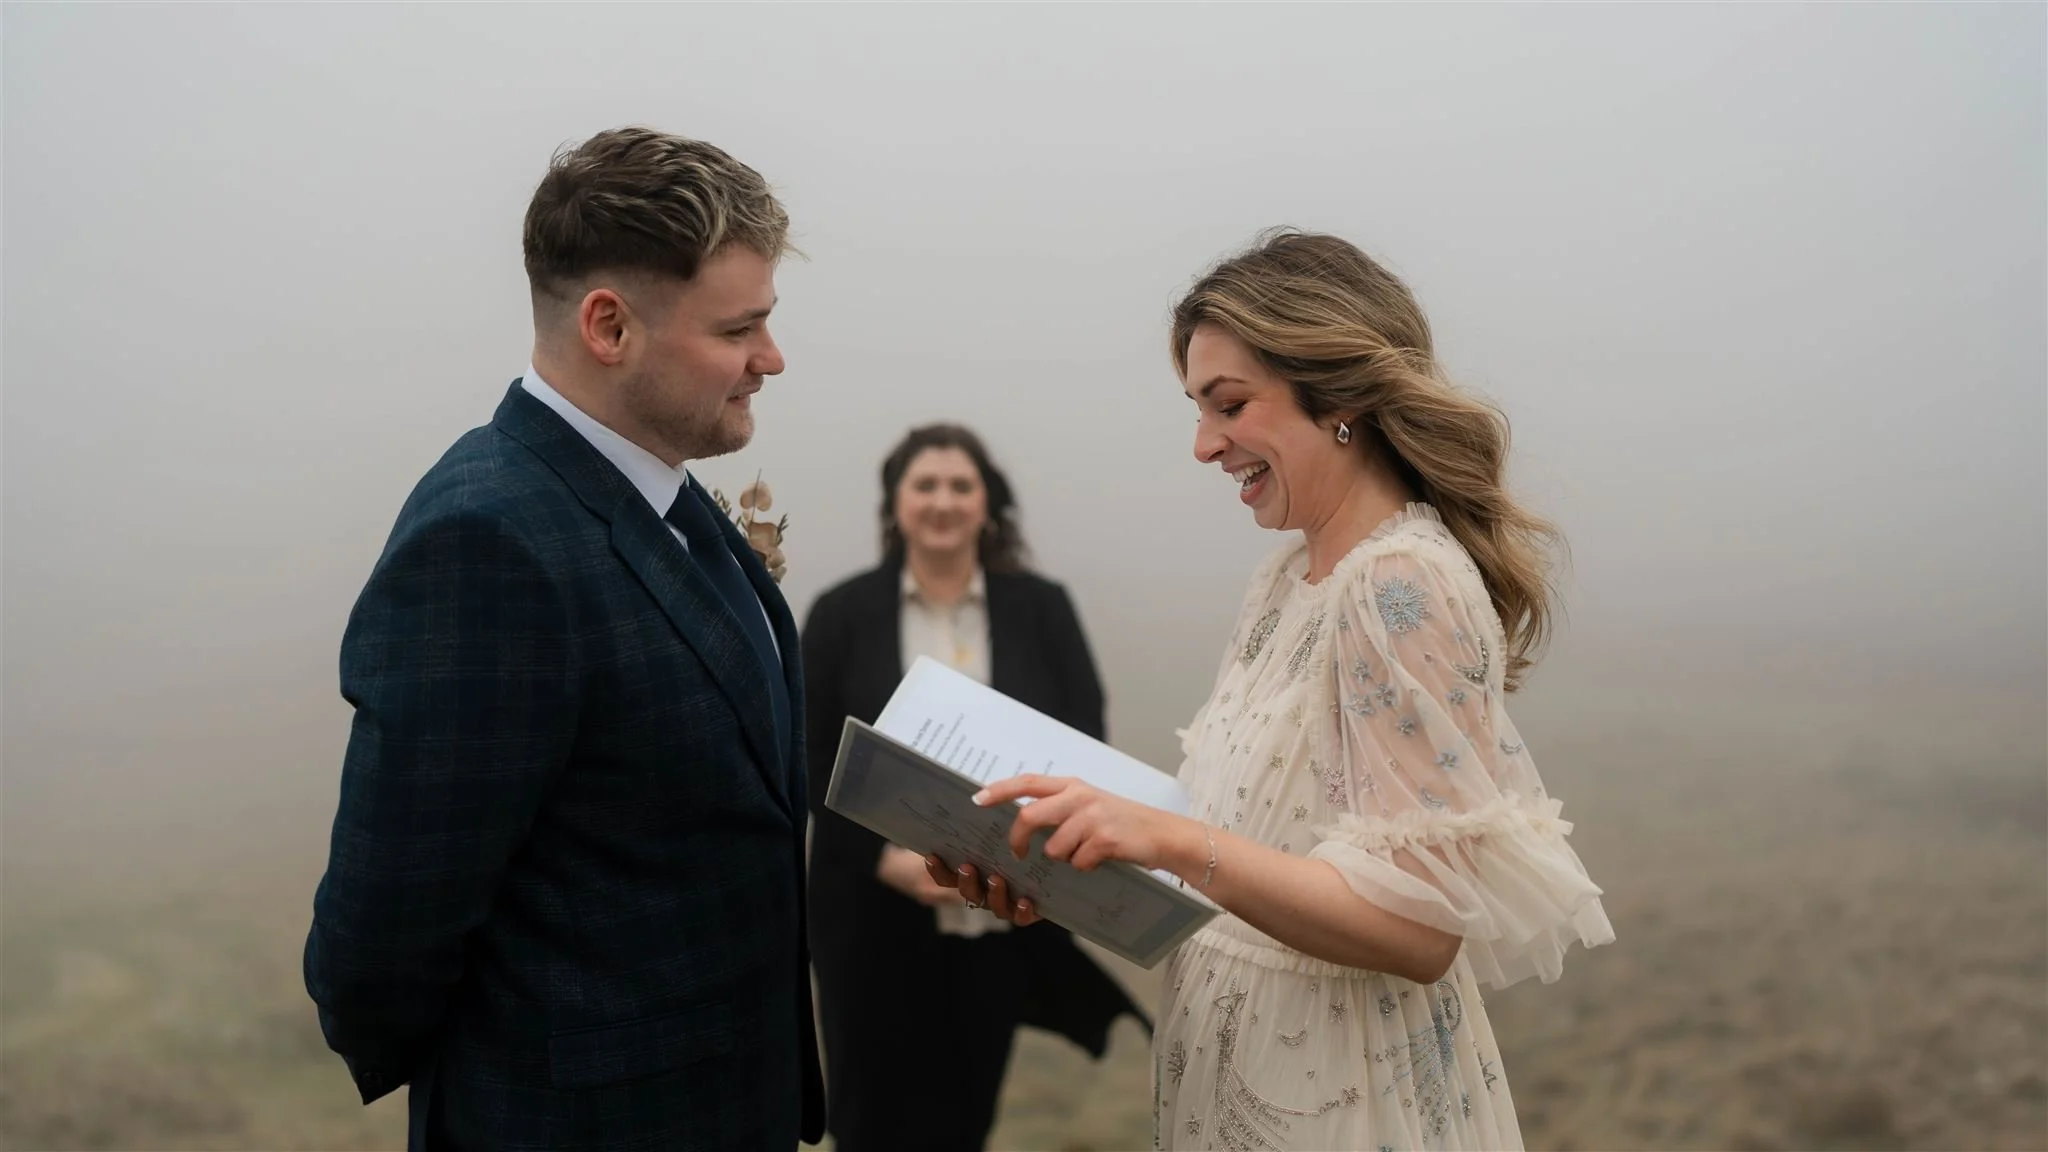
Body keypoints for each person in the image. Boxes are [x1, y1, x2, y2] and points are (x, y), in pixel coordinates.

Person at [934, 230, 1615, 1150]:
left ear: (1341, 397)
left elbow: (1420, 930)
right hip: (1232, 1060)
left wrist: (1172, 839)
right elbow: (1257, 838)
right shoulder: (1287, 579)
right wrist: (1053, 857)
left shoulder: (1398, 584)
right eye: (1197, 409)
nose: (1203, 445)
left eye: (1230, 405)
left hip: (1338, 1087)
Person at [302, 126, 824, 1151]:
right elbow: (382, 937)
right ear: (608, 326)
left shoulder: (664, 494)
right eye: (740, 329)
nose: (771, 359)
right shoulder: (487, 540)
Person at [801, 423, 1149, 1151]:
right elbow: (809, 756)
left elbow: (1085, 741)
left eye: (961, 485)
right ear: (895, 503)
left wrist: (1025, 855)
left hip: (1000, 915)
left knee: (965, 1122)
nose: (943, 501)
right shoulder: (840, 613)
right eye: (924, 484)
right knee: (866, 1124)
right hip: (869, 919)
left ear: (987, 504)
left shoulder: (1043, 608)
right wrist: (885, 861)